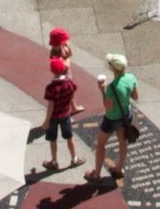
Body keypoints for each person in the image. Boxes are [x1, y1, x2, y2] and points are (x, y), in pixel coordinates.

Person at [85, 53, 137, 186]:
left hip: (112, 119)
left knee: (101, 144)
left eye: (110, 64)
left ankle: (96, 174)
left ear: (113, 68)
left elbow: (108, 108)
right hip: (125, 115)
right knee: (122, 142)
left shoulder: (111, 88)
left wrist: (102, 91)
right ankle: (119, 168)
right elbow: (135, 97)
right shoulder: (131, 78)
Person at [41, 57, 80, 171]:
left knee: (53, 139)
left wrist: (46, 121)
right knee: (69, 137)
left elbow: (50, 106)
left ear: (52, 71)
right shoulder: (69, 83)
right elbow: (72, 95)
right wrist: (73, 107)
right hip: (65, 115)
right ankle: (74, 158)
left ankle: (54, 162)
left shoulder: (51, 88)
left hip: (53, 117)